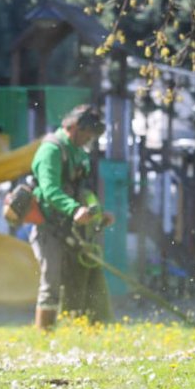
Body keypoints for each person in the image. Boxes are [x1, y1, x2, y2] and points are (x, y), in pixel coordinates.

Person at [29, 104, 116, 330]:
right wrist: (74, 209)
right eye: (88, 133)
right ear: (75, 127)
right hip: (49, 228)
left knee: (82, 279)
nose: (90, 139)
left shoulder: (78, 152)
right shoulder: (52, 150)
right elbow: (50, 191)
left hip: (72, 228)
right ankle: (43, 337)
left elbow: (83, 192)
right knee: (51, 283)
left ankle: (79, 329)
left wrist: (97, 215)